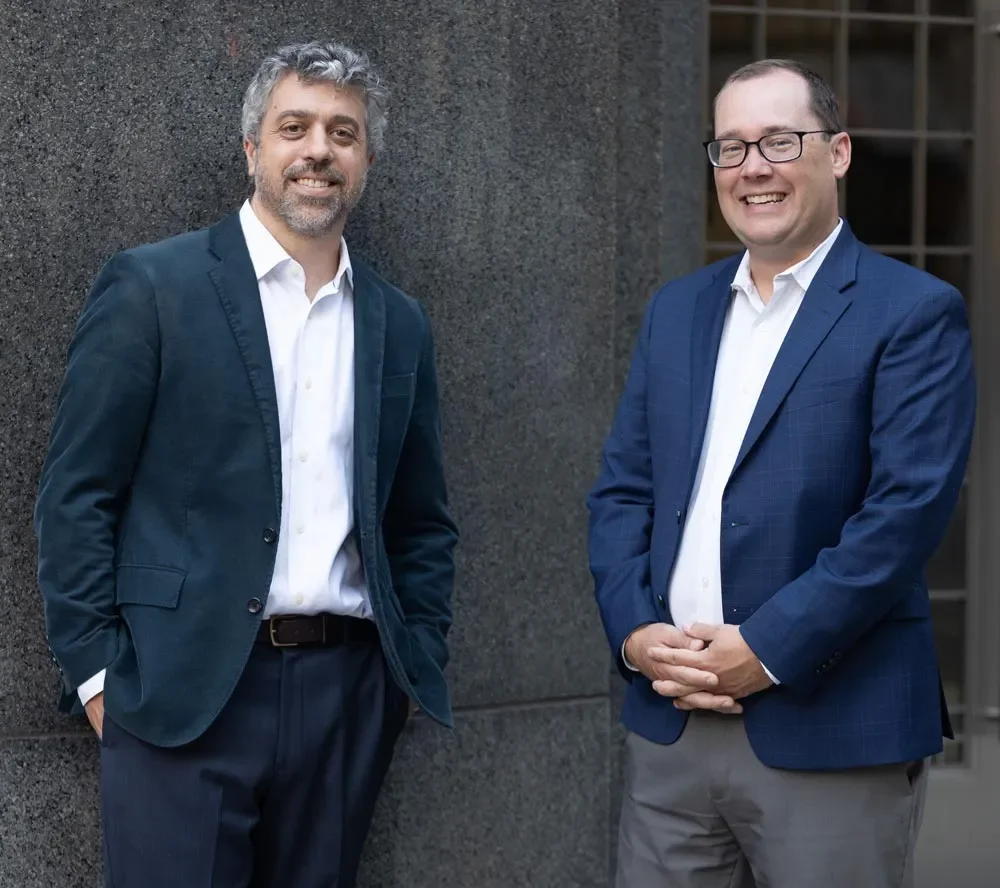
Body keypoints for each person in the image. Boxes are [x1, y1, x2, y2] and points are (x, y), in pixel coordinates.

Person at [35, 40, 457, 888]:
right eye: (294, 127)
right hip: (179, 698)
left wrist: (409, 666)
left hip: (346, 695)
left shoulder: (396, 321)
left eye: (343, 132)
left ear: (367, 158)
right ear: (252, 149)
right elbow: (77, 496)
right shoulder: (154, 287)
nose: (318, 151)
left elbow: (421, 519)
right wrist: (97, 678)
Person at [587, 58, 975, 888]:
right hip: (671, 728)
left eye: (777, 140)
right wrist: (635, 633)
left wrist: (763, 650)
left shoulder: (912, 313)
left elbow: (902, 517)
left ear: (836, 153)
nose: (752, 167)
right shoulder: (676, 311)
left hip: (833, 731)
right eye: (730, 147)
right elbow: (625, 490)